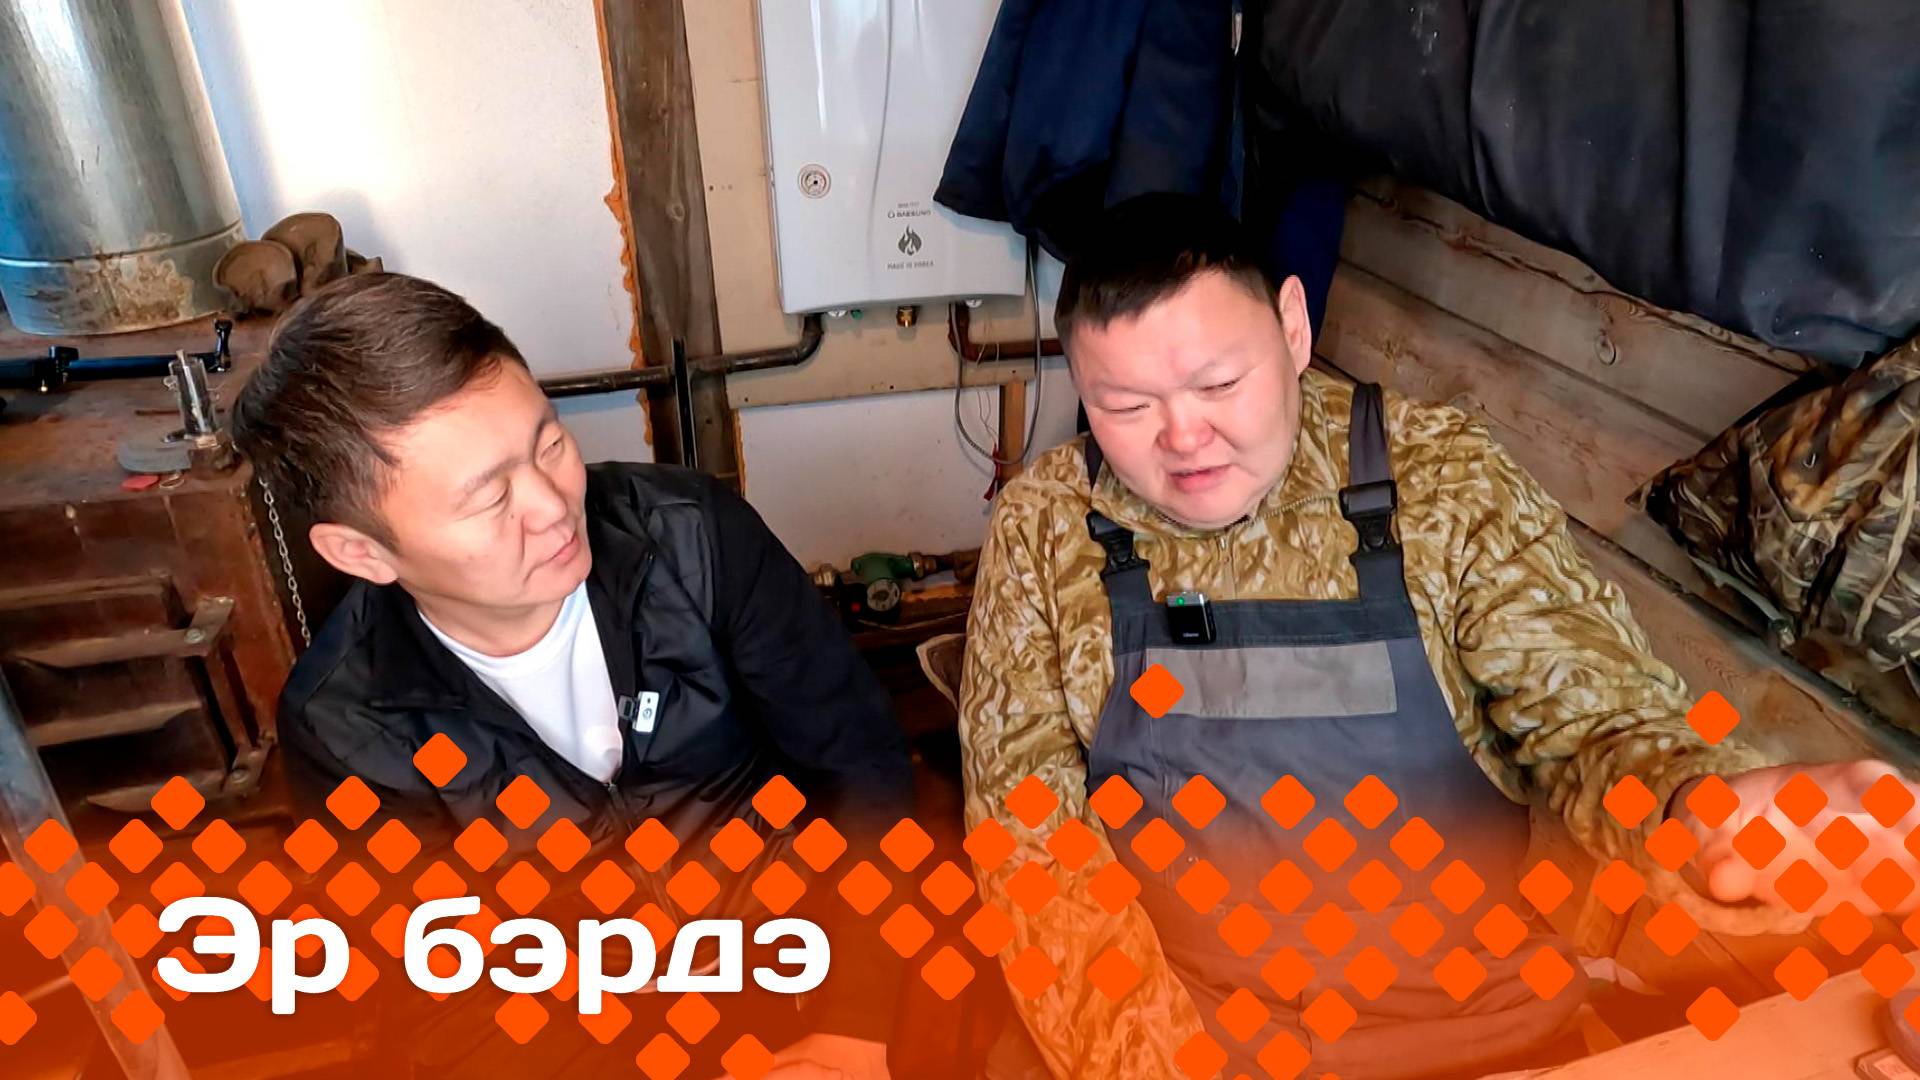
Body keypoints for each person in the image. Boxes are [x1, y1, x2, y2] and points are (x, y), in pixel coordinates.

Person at [957, 193, 1920, 1079]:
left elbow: (1593, 727)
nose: (1181, 437)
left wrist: (1694, 809)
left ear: (1292, 327)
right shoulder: (1047, 523)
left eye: (1218, 383)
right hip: (1193, 1032)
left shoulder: (1438, 478)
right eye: (1124, 407)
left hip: (1482, 1031)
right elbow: (1033, 852)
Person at [231, 272, 910, 1078]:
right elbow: (445, 994)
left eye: (550, 443)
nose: (554, 506)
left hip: (809, 963)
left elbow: (863, 771)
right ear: (363, 552)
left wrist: (852, 1029)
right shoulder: (348, 725)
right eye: (490, 499)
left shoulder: (694, 541)